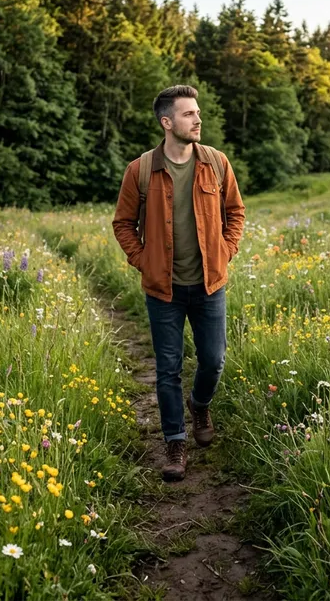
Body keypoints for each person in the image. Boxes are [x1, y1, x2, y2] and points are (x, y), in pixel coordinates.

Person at [112, 85, 246, 481]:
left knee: (214, 360)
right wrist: (142, 260)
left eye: (198, 112)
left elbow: (235, 212)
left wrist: (226, 250)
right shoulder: (140, 170)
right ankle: (175, 443)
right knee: (167, 368)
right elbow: (122, 223)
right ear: (167, 122)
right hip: (163, 290)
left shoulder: (217, 163)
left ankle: (199, 403)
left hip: (209, 285)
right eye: (189, 114)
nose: (198, 120)